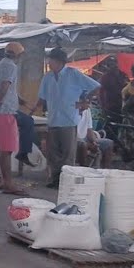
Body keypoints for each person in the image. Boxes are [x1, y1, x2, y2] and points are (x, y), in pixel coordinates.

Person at [36, 47, 100, 188]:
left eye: (50, 60)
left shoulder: (73, 74)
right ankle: (55, 179)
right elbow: (42, 98)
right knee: (53, 154)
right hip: (53, 119)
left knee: (67, 154)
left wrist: (85, 101)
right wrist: (32, 110)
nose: (48, 62)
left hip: (69, 119)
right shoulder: (48, 77)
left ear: (59, 61)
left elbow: (95, 86)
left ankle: (66, 182)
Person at [0, 42, 25, 195]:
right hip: (5, 111)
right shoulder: (11, 67)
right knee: (6, 149)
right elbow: (3, 89)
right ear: (18, 55)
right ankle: (8, 183)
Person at [95, 56, 127, 123]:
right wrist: (102, 106)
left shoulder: (123, 75)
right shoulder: (105, 77)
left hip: (122, 105)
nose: (113, 66)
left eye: (114, 63)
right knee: (111, 126)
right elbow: (100, 92)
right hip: (110, 105)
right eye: (110, 64)